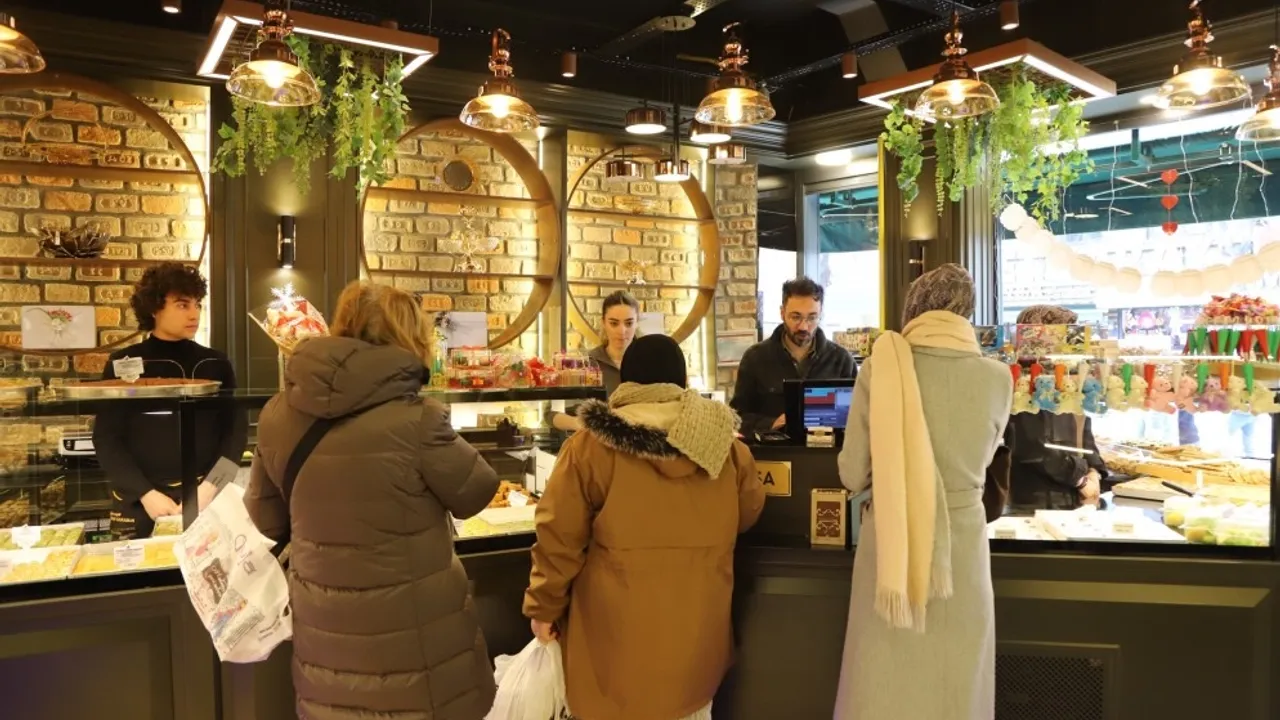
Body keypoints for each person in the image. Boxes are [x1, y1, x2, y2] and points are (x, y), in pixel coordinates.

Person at [245, 281, 500, 719]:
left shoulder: (276, 414)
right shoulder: (419, 419)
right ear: (411, 337)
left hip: (325, 634)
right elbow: (476, 491)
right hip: (416, 643)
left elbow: (265, 522)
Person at [524, 334, 766, 720]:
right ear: (682, 381)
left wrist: (544, 608)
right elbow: (748, 512)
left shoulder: (591, 448)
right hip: (697, 644)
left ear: (626, 381)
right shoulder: (728, 448)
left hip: (612, 647)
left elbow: (558, 538)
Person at [834, 264, 1011, 720]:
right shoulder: (998, 377)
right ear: (967, 312)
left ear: (914, 306)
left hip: (891, 543)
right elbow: (987, 458)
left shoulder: (883, 367)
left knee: (883, 679)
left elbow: (853, 473)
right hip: (964, 549)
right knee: (957, 681)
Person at [93, 262, 247, 539]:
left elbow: (235, 435)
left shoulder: (215, 362)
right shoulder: (123, 363)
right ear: (154, 308)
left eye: (197, 304)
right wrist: (145, 493)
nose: (194, 313)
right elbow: (106, 439)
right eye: (182, 305)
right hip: (138, 501)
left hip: (205, 496)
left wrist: (211, 486)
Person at [1006, 305, 1108, 510]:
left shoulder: (1070, 380)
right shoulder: (1024, 384)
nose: (1074, 342)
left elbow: (1084, 434)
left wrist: (1094, 471)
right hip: (1032, 499)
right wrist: (1081, 480)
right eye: (1066, 333)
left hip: (1074, 497)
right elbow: (1034, 449)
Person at [731, 276, 856, 437]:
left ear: (821, 315)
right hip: (773, 451)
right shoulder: (755, 358)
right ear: (782, 313)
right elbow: (736, 417)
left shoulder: (842, 360)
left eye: (812, 318)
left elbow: (859, 418)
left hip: (828, 451)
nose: (804, 326)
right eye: (796, 317)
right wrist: (771, 424)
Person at [549, 290, 640, 432]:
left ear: (637, 323)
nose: (622, 331)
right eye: (614, 323)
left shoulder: (651, 363)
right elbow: (551, 412)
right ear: (603, 322)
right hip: (597, 442)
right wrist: (579, 424)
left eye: (629, 323)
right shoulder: (587, 364)